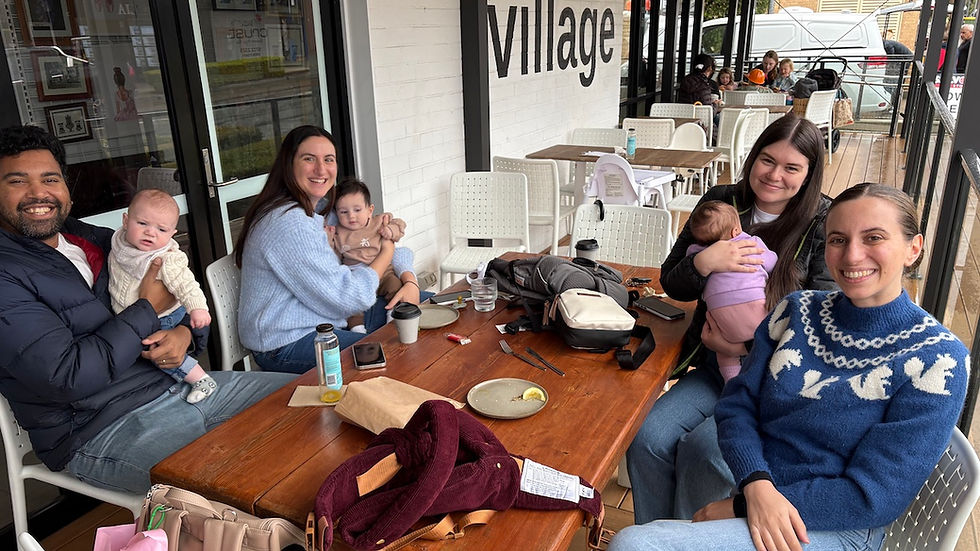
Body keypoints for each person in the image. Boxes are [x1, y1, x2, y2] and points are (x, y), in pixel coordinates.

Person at [610, 183, 968, 551]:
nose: (852, 255)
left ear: (914, 248)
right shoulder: (797, 310)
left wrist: (740, 505)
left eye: (874, 237)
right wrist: (756, 486)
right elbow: (738, 403)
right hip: (758, 490)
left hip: (834, 524)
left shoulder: (937, 360)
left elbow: (873, 496)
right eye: (838, 239)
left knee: (636, 545)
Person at [0, 124, 294, 493]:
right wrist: (147, 309)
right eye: (17, 181)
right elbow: (66, 376)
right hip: (101, 429)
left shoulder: (98, 240)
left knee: (313, 401)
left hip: (179, 386)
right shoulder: (7, 274)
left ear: (66, 189)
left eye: (49, 178)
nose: (37, 193)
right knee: (247, 483)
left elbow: (176, 288)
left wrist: (184, 333)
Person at [626, 114, 836, 524]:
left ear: (809, 174)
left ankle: (687, 543)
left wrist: (736, 347)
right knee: (646, 438)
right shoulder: (722, 199)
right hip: (712, 369)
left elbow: (822, 324)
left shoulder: (821, 223)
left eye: (792, 167)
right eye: (767, 160)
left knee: (703, 453)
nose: (775, 175)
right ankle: (654, 538)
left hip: (774, 383)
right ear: (752, 157)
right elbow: (673, 282)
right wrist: (703, 261)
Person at [236, 125, 427, 374]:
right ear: (288, 165)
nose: (321, 169)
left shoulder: (328, 210)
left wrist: (409, 282)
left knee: (429, 304)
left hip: (330, 317)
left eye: (328, 159)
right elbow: (350, 296)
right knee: (393, 357)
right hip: (287, 340)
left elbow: (393, 247)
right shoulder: (289, 224)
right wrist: (386, 253)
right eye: (308, 159)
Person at [108, 189, 217, 404]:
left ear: (172, 234)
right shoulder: (120, 245)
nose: (150, 233)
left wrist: (198, 308)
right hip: (133, 316)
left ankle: (200, 379)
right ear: (125, 220)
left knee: (158, 350)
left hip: (163, 316)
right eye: (142, 224)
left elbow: (186, 283)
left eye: (161, 229)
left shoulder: (166, 258)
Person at [685, 201, 776, 384]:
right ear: (735, 231)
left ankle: (732, 384)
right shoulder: (750, 242)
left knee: (725, 354)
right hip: (756, 312)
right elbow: (771, 261)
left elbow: (686, 271)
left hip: (721, 322)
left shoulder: (695, 251)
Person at [327, 178, 406, 333]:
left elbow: (400, 225)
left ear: (370, 210)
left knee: (395, 286)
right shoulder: (337, 232)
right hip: (355, 279)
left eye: (357, 210)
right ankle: (357, 328)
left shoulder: (379, 223)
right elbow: (334, 259)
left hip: (383, 274)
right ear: (336, 213)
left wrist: (391, 230)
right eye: (344, 212)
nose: (351, 216)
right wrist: (329, 244)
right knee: (348, 302)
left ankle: (392, 316)